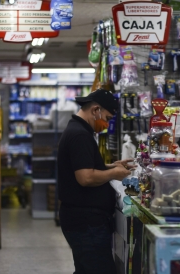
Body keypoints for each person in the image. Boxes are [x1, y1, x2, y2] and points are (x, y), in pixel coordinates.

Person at [57, 88, 135, 274]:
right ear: (95, 110)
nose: (106, 125)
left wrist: (110, 166)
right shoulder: (80, 135)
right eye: (107, 119)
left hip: (83, 220)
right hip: (86, 222)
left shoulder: (78, 130)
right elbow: (85, 177)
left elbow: (84, 167)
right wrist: (115, 174)